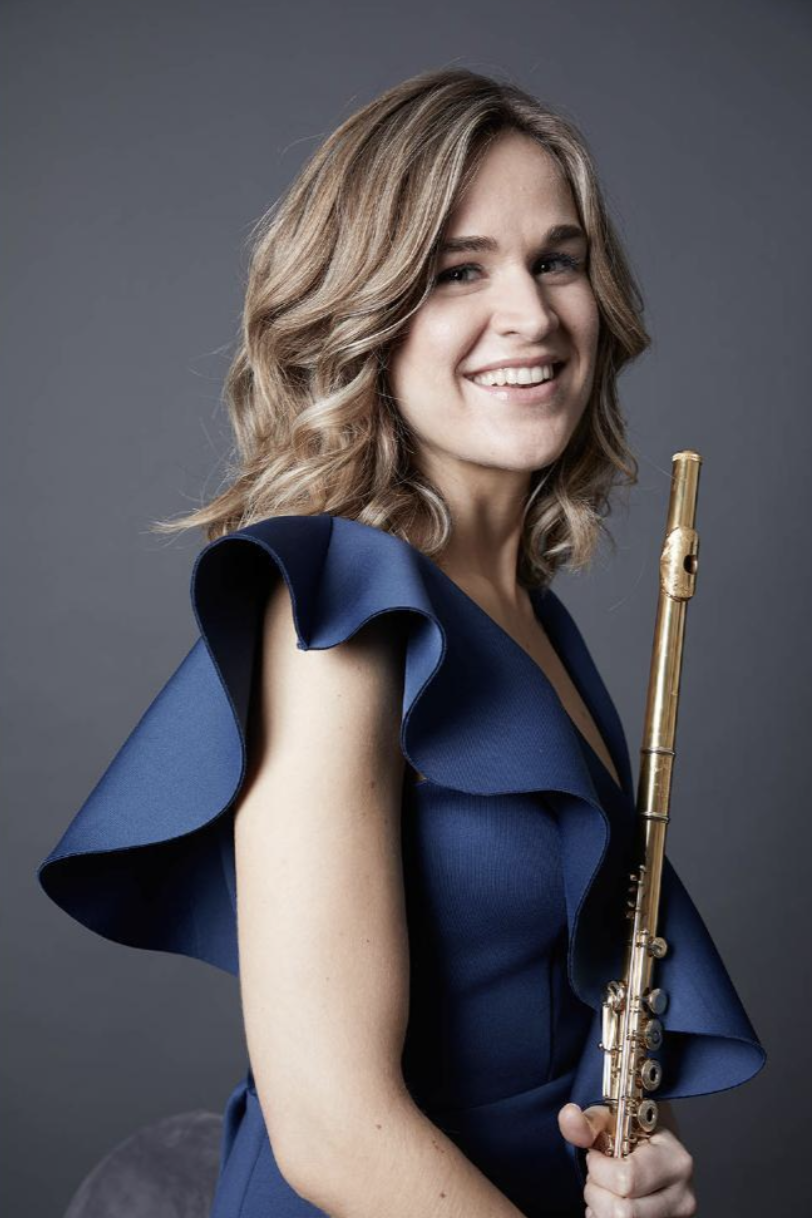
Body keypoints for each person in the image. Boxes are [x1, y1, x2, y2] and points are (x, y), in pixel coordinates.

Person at [39, 68, 765, 1218]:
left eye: (557, 260)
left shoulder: (527, 613)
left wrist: (645, 1164)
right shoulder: (341, 619)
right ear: (364, 312)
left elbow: (561, 984)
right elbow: (332, 1130)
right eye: (456, 271)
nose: (530, 314)